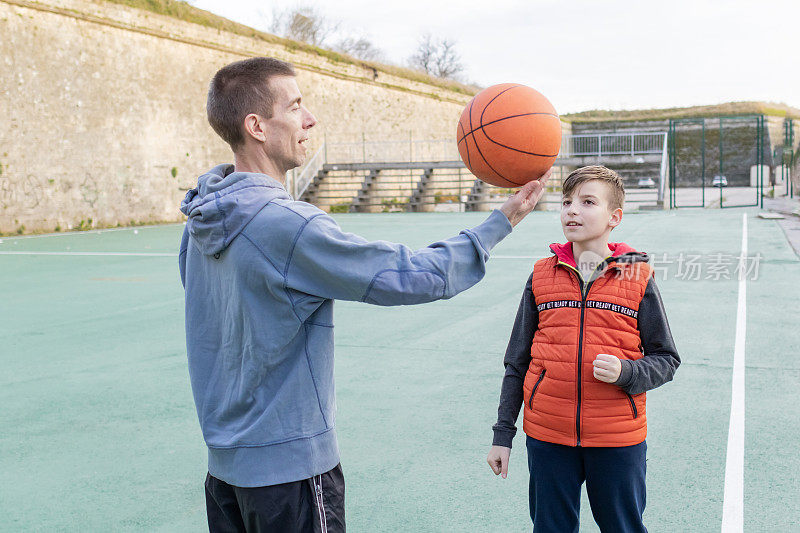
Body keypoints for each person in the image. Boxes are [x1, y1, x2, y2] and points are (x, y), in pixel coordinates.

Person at [178, 56, 548, 533]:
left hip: (224, 473)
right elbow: (410, 274)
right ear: (257, 127)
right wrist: (500, 224)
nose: (309, 118)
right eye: (294, 106)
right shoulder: (288, 227)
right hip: (290, 473)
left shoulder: (201, 220)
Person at [486, 165, 680, 532]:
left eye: (588, 202)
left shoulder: (638, 277)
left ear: (614, 217)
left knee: (623, 527)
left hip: (617, 438)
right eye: (567, 201)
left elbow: (667, 359)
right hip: (548, 436)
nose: (572, 210)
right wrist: (503, 434)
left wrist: (629, 372)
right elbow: (517, 361)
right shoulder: (542, 275)